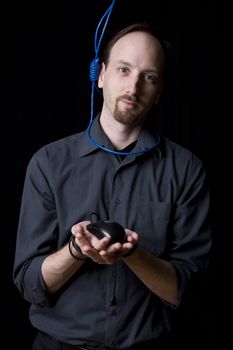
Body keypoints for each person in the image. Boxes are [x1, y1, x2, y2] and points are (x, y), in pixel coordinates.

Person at [13, 22, 212, 350]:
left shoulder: (187, 169)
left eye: (148, 77)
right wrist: (77, 251)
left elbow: (187, 291)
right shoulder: (48, 163)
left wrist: (134, 255)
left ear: (159, 90)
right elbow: (30, 283)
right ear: (101, 75)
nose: (133, 87)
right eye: (123, 69)